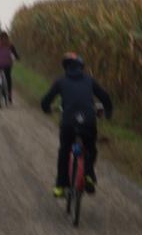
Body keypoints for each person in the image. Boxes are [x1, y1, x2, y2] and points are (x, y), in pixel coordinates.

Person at [41, 52, 112, 198]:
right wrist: (108, 112)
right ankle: (89, 175)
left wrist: (47, 109)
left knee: (64, 151)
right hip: (88, 122)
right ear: (81, 67)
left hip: (69, 123)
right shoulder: (89, 80)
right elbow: (105, 97)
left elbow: (45, 101)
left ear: (66, 67)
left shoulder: (60, 81)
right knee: (90, 149)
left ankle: (60, 186)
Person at [0, 31, 20, 102]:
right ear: (7, 37)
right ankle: (9, 94)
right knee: (8, 77)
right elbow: (15, 54)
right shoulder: (10, 45)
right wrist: (17, 58)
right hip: (7, 64)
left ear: (0, 38)